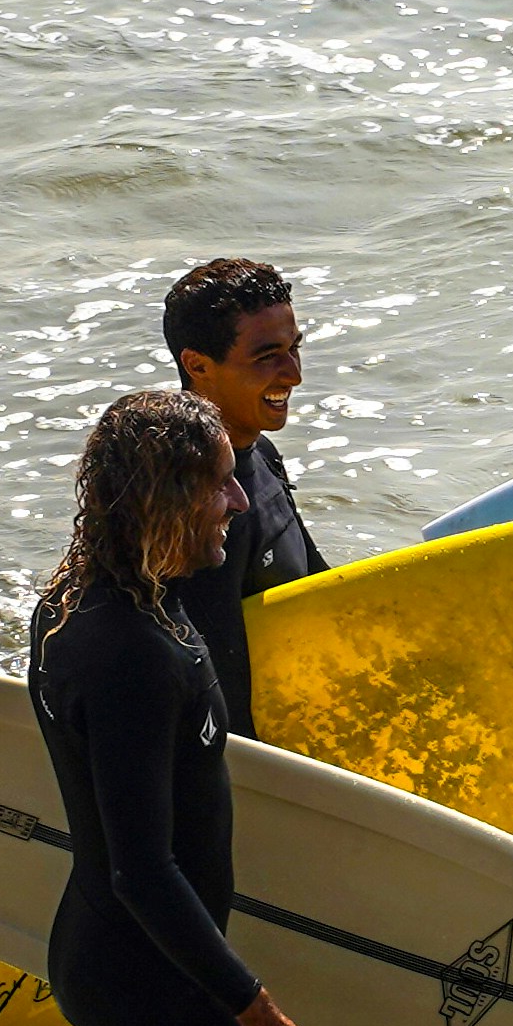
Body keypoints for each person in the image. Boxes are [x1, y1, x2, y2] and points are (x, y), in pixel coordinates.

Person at [2, 390, 375, 1026]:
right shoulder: (122, 648)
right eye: (218, 487)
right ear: (167, 496)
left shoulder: (112, 602)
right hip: (148, 976)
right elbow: (141, 866)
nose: (238, 505)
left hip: (123, 963)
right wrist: (252, 1007)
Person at [160, 255, 329, 735]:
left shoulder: (261, 453)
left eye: (295, 348)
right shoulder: (191, 503)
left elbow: (319, 589)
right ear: (197, 365)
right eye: (266, 356)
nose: (293, 374)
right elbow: (210, 683)